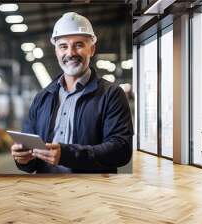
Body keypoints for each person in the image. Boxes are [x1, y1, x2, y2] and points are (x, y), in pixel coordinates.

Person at [11, 12, 133, 173]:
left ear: (92, 49)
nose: (70, 53)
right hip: (46, 191)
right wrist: (23, 159)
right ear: (56, 52)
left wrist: (67, 155)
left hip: (91, 193)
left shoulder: (111, 95)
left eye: (79, 45)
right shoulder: (42, 98)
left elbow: (121, 150)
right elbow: (30, 155)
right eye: (63, 46)